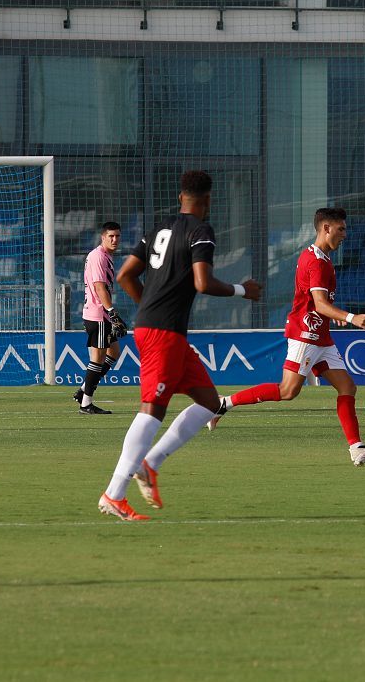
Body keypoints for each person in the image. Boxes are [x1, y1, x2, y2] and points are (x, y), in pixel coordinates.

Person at [98, 170, 261, 520]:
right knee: (152, 409)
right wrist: (242, 290)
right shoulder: (201, 231)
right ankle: (114, 494)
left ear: (180, 197)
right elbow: (202, 283)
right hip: (163, 334)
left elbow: (126, 275)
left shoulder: (160, 227)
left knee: (209, 402)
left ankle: (150, 464)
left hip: (161, 329)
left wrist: (148, 309)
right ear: (208, 201)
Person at [209, 207, 365, 466]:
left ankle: (356, 447)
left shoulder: (320, 257)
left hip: (320, 335)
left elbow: (316, 302)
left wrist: (330, 314)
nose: (345, 234)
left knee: (347, 387)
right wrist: (350, 317)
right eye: (341, 229)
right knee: (288, 391)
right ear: (326, 228)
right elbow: (319, 304)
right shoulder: (317, 262)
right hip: (305, 334)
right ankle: (223, 403)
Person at [73, 221, 127, 415]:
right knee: (98, 358)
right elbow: (98, 287)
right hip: (98, 314)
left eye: (117, 236)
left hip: (101, 313)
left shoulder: (105, 256)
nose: (115, 239)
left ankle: (83, 390)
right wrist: (112, 313)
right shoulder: (98, 256)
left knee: (114, 353)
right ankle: (86, 403)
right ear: (102, 237)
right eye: (111, 236)